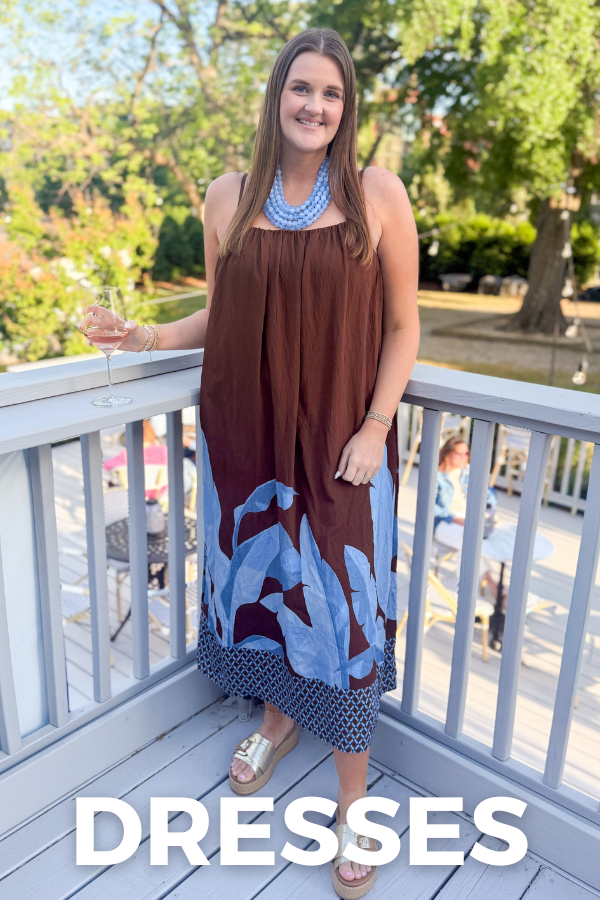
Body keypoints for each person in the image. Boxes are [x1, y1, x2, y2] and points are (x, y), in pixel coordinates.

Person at [82, 27, 419, 898]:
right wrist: (142, 333)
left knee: (341, 616)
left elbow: (404, 325)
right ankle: (275, 724)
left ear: (348, 108)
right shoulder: (228, 194)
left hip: (346, 447)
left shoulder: (377, 192)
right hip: (250, 438)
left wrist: (377, 425)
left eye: (333, 95)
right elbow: (219, 315)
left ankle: (352, 805)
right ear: (277, 96)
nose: (316, 106)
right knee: (269, 597)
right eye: (301, 89)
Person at [435, 436, 499, 596]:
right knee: (469, 542)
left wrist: (487, 497)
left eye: (467, 453)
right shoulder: (436, 476)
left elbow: (491, 496)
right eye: (459, 453)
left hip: (467, 519)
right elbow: (431, 508)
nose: (464, 457)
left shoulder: (467, 472)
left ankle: (466, 590)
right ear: (447, 453)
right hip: (444, 522)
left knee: (482, 539)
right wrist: (456, 519)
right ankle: (487, 589)